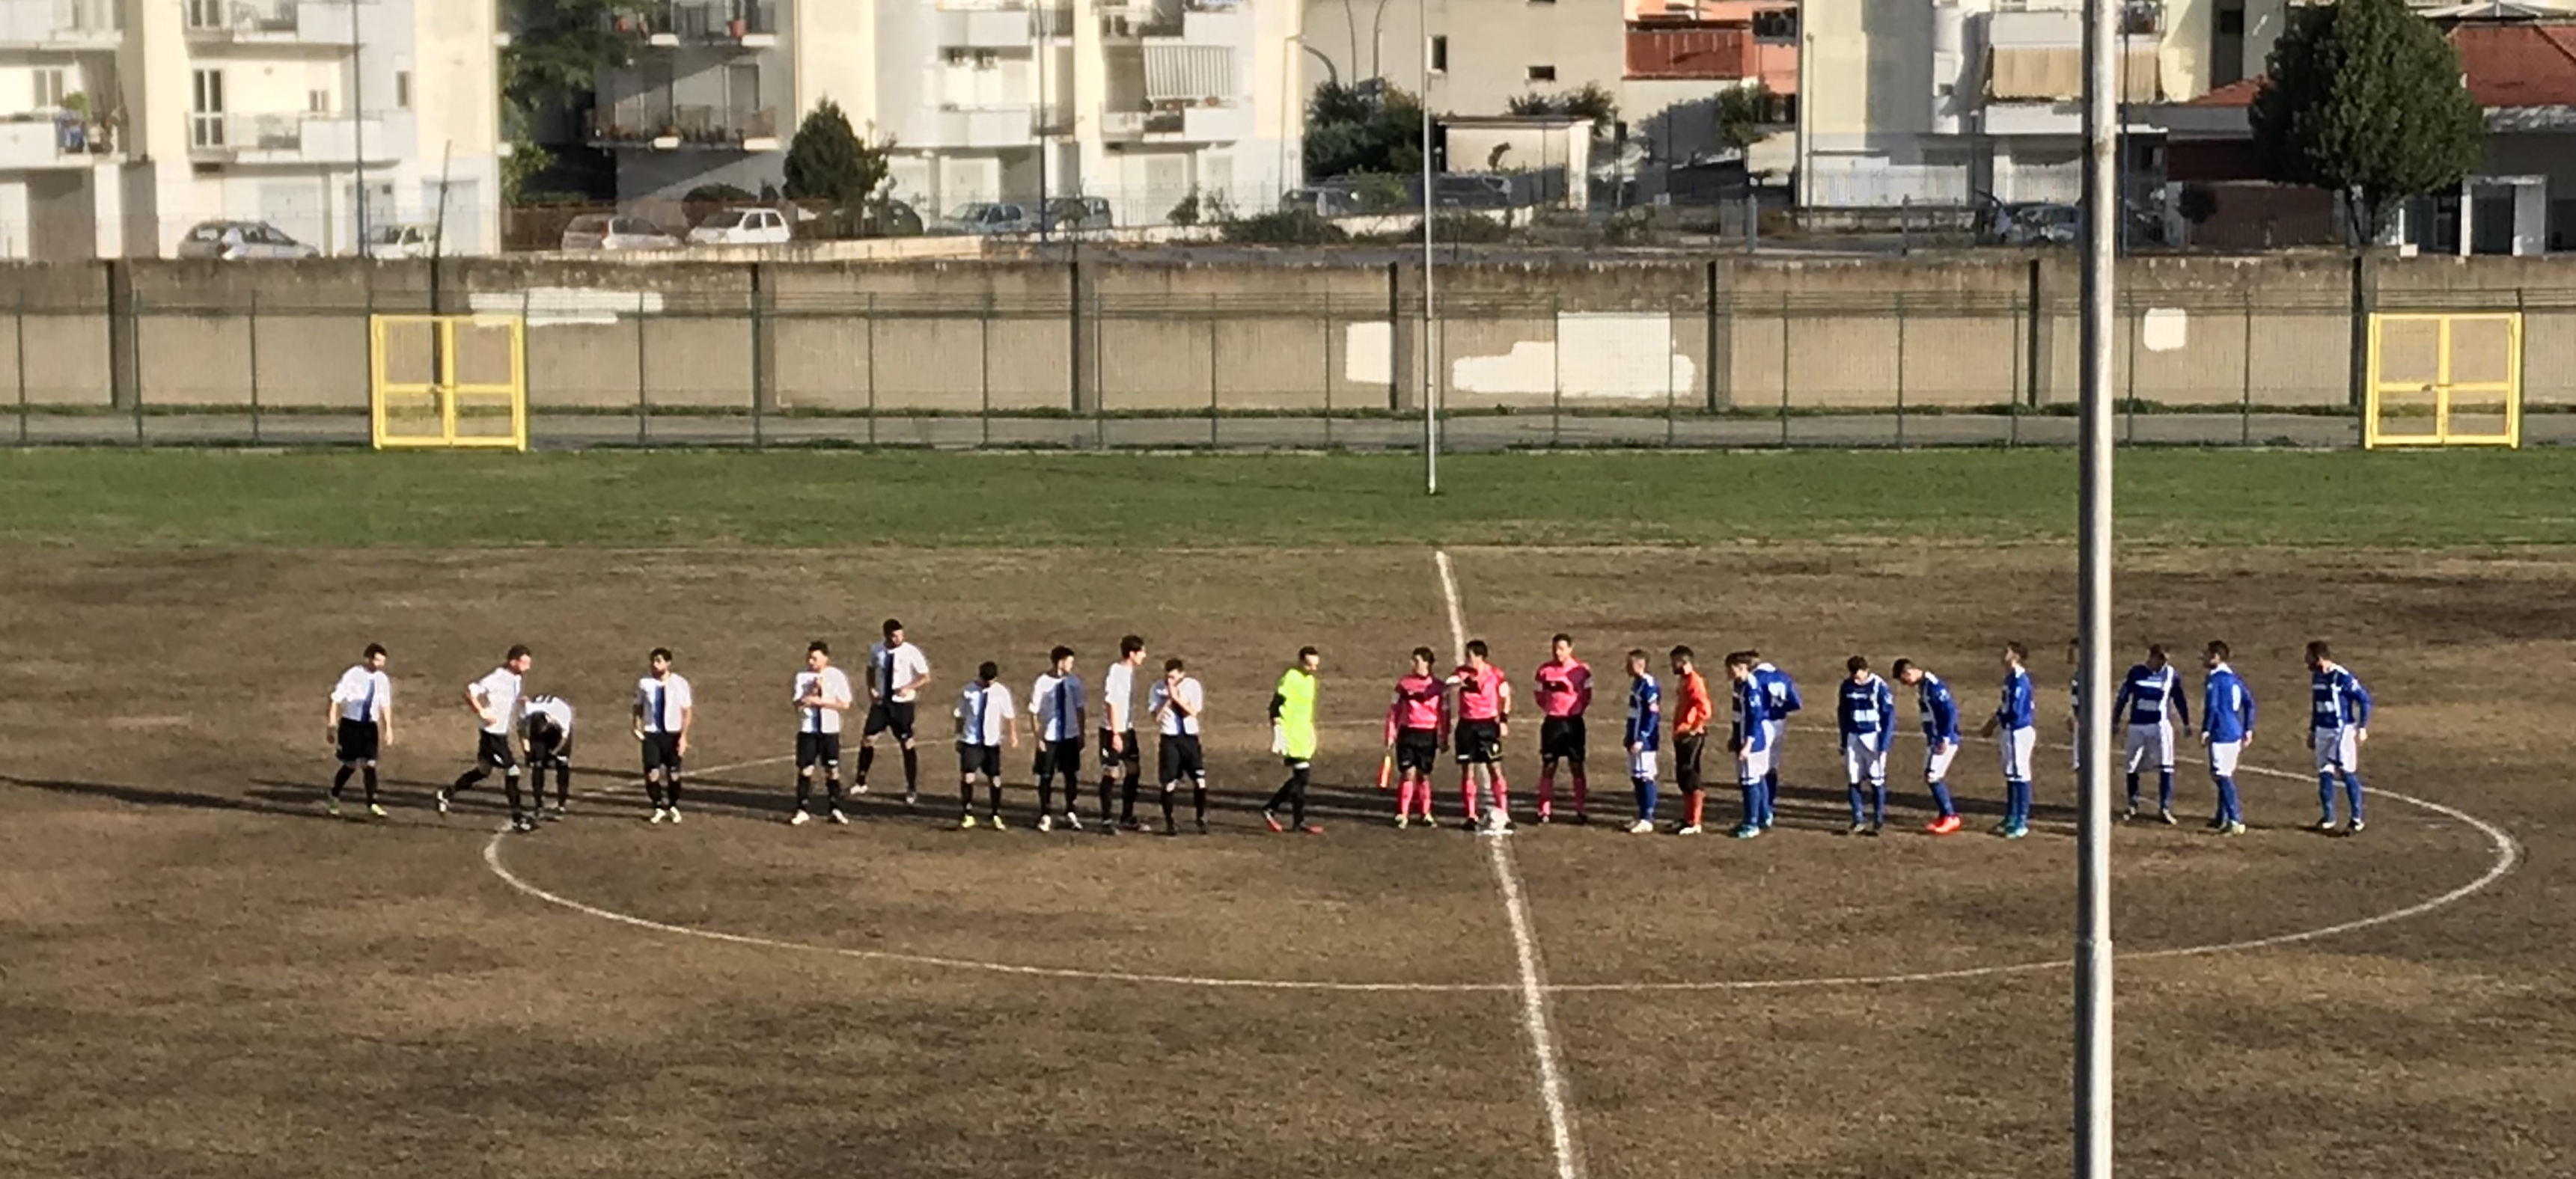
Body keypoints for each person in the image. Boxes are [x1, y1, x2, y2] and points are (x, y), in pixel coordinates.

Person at [442, 645, 534, 832]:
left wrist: (520, 701)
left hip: (499, 734)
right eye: (525, 663)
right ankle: (518, 819)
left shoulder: (516, 678)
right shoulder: (497, 677)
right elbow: (469, 692)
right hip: (493, 735)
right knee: (513, 772)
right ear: (513, 661)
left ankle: (446, 793)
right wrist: (482, 712)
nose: (528, 667)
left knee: (483, 771)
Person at [2115, 643, 2192, 824]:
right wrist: (2115, 720)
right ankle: (2132, 803)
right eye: (2160, 660)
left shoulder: (2170, 675)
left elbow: (2179, 698)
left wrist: (2186, 722)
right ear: (2151, 657)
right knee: (2131, 764)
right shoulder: (2136, 673)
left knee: (2166, 764)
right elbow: (2123, 696)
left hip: (2160, 725)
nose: (2163, 665)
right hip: (2137, 725)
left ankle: (2164, 807)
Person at [859, 619, 933, 804]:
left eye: (901, 634)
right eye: (895, 635)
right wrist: (871, 689)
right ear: (886, 635)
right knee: (868, 739)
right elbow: (870, 669)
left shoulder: (910, 652)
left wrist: (909, 687)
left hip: (902, 705)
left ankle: (911, 787)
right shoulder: (877, 650)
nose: (899, 638)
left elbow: (925, 677)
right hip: (883, 703)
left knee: (907, 743)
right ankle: (861, 781)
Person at [2306, 640, 2373, 835]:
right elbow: (2315, 706)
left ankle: (2357, 819)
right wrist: (2312, 730)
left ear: (2318, 658)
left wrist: (2362, 727)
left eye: (2309, 657)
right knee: (2324, 771)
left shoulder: (2341, 677)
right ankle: (2328, 817)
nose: (2306, 661)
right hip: (2322, 730)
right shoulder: (2317, 678)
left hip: (2341, 730)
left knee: (2346, 771)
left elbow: (2364, 699)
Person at [1891, 659, 1963, 834]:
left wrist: (1944, 737)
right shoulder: (1925, 686)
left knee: (1933, 776)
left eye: (1903, 680)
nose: (1905, 684)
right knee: (1929, 775)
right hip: (1935, 739)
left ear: (1908, 673)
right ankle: (1944, 814)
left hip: (1943, 739)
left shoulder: (1934, 687)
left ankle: (1950, 817)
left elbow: (1950, 711)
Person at [1449, 640, 1514, 832]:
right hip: (1467, 725)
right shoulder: (1460, 673)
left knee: (1495, 768)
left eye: (1470, 656)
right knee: (1467, 770)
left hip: (1487, 726)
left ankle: (1504, 812)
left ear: (1479, 657)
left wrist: (1503, 720)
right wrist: (1459, 683)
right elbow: (1449, 686)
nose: (1467, 660)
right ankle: (1470, 815)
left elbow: (1506, 697)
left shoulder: (1496, 675)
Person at [324, 643, 393, 818]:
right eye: (377, 660)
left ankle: (373, 802)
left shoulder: (382, 679)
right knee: (351, 765)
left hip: (370, 726)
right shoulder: (353, 675)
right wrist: (331, 725)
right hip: (351, 725)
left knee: (370, 764)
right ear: (368, 658)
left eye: (382, 661)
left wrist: (388, 728)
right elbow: (335, 699)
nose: (380, 665)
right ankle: (334, 795)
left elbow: (385, 704)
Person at [1977, 642, 2037, 839]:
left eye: (2007, 652)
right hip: (2010, 731)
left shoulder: (2020, 680)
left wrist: (1996, 722)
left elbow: (2015, 711)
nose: (2003, 654)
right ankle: (2011, 816)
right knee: (2011, 773)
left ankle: (2021, 820)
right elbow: (2005, 706)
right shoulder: (2010, 679)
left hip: (2018, 731)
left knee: (2020, 774)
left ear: (2016, 656)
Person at [790, 640, 854, 826]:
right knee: (806, 769)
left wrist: (821, 702)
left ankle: (835, 808)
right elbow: (797, 704)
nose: (811, 662)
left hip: (829, 730)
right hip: (808, 729)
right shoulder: (802, 677)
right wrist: (810, 692)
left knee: (832, 770)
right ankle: (802, 809)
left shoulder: (836, 676)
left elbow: (845, 704)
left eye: (815, 658)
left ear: (825, 659)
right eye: (809, 658)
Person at [1533, 634, 1593, 824]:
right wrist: (1552, 709)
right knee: (1549, 767)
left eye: (1561, 648)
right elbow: (1539, 695)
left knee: (1577, 766)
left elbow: (1587, 696)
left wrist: (1575, 710)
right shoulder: (1544, 671)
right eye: (1555, 648)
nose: (1557, 652)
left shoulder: (1582, 671)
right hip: (1553, 724)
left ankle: (1581, 809)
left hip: (1574, 723)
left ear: (1570, 649)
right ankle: (1544, 810)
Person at [1263, 646, 1324, 834]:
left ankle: (1298, 822)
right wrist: (1278, 732)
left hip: (1303, 734)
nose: (1312, 669)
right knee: (1303, 776)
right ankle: (1270, 808)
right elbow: (1275, 706)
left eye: (1315, 665)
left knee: (1300, 779)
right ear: (1300, 662)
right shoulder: (1290, 678)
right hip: (1291, 735)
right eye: (1309, 665)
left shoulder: (1311, 681)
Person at [1385, 647, 1447, 829]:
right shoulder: (1403, 684)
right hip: (1408, 732)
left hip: (1428, 734)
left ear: (1427, 663)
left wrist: (1444, 735)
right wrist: (1390, 732)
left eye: (1417, 661)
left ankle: (1425, 813)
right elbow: (1394, 710)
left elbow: (1444, 713)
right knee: (1408, 774)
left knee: (1423, 775)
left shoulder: (1438, 687)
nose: (1413, 665)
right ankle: (1402, 813)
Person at [633, 647, 695, 825]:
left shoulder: (680, 683)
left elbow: (687, 711)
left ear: (668, 663)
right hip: (652, 734)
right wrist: (636, 724)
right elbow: (638, 705)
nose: (655, 665)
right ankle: (658, 806)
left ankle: (673, 806)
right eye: (653, 661)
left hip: (672, 734)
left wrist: (683, 736)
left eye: (659, 661)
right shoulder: (644, 683)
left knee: (673, 774)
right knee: (652, 772)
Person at [2200, 640, 2256, 836]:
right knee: (2225, 774)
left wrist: (2206, 729)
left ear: (2216, 656)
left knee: (2221, 775)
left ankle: (2234, 819)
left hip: (2221, 732)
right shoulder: (2234, 678)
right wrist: (2248, 728)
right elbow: (2249, 703)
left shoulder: (2214, 679)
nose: (2204, 657)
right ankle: (2222, 817)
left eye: (2207, 654)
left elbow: (2213, 707)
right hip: (2235, 731)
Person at [953, 661, 1017, 830]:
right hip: (971, 740)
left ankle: (995, 813)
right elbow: (960, 715)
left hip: (991, 741)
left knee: (994, 779)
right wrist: (959, 737)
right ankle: (967, 812)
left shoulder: (1001, 692)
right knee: (968, 777)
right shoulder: (968, 691)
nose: (988, 684)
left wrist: (1013, 736)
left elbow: (1009, 714)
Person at [1148, 658, 1209, 835]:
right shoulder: (1157, 688)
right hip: (1170, 738)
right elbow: (1156, 717)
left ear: (1182, 675)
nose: (1170, 681)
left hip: (1189, 737)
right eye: (1168, 677)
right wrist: (1167, 700)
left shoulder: (1192, 686)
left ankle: (1201, 817)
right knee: (1169, 783)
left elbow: (1194, 711)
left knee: (1199, 779)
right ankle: (1170, 821)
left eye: (1174, 677)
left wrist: (1177, 698)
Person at [1031, 646, 1087, 832]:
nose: (1072, 665)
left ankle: (1071, 811)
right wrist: (1038, 737)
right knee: (1046, 775)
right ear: (1060, 661)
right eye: (1069, 661)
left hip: (1069, 735)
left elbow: (1080, 708)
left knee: (1071, 774)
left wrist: (1081, 733)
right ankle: (1045, 813)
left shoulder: (1074, 682)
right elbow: (1033, 711)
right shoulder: (1042, 682)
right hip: (1050, 736)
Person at [1837, 655, 1896, 836]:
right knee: (1853, 778)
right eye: (1853, 674)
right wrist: (1843, 739)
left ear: (1866, 670)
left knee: (1876, 779)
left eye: (1859, 674)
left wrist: (1884, 743)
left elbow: (1888, 716)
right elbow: (1843, 713)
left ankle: (1878, 819)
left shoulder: (1879, 686)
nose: (1856, 678)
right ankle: (1858, 819)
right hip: (1853, 737)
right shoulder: (1846, 686)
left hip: (1873, 737)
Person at [1099, 636, 1148, 832]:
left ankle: (1127, 816)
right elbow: (1110, 702)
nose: (1145, 656)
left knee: (1134, 769)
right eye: (1142, 652)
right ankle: (1106, 820)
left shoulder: (1130, 673)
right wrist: (1115, 733)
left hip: (1128, 729)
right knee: (1112, 772)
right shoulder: (1116, 672)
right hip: (1112, 730)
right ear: (1132, 653)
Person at [1749, 652, 1801, 829]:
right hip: (1780, 722)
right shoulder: (1783, 676)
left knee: (1759, 767)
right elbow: (1796, 703)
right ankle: (1769, 803)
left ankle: (1763, 809)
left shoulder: (1755, 678)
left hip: (1764, 723)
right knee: (1773, 766)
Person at [1723, 652, 1771, 839]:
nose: (1728, 672)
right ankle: (1763, 816)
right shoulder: (1739, 685)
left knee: (1749, 781)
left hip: (1753, 742)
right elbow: (1738, 717)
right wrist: (1734, 738)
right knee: (1756, 778)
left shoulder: (1751, 688)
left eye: (1730, 668)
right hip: (1744, 739)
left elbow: (1755, 718)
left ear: (1741, 668)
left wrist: (1747, 743)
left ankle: (1751, 823)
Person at [1669, 646, 1713, 835]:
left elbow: (1704, 707)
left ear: (1684, 662)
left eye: (1675, 662)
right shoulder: (1684, 680)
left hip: (1690, 736)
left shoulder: (1694, 682)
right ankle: (1687, 818)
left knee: (1691, 775)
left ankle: (1695, 822)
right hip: (1682, 734)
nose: (1672, 666)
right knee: (1683, 777)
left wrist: (1695, 727)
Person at [1623, 649, 1662, 834]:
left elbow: (1652, 715)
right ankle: (1641, 815)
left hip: (1645, 741)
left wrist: (1641, 738)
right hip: (1634, 738)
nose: (1626, 668)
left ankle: (1648, 817)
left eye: (1629, 664)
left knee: (1646, 776)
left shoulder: (1649, 685)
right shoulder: (1637, 683)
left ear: (1640, 665)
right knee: (1636, 777)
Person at [521, 690, 576, 821]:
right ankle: (538, 804)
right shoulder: (527, 712)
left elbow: (563, 739)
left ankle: (561, 804)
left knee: (562, 763)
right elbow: (521, 731)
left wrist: (554, 753)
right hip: (540, 730)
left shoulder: (562, 716)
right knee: (537, 765)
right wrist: (527, 751)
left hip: (559, 732)